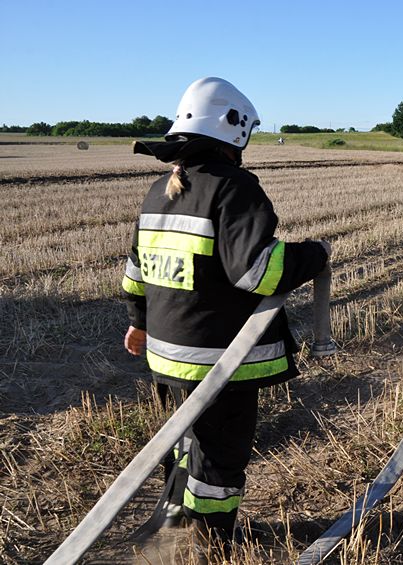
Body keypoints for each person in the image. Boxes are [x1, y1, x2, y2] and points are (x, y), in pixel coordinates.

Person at [121, 77, 330, 556]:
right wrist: (313, 255)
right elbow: (259, 270)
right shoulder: (234, 189)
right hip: (218, 362)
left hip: (165, 355)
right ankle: (209, 542)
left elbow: (136, 273)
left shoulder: (160, 191)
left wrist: (139, 322)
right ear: (234, 133)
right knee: (219, 458)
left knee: (181, 442)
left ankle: (176, 521)